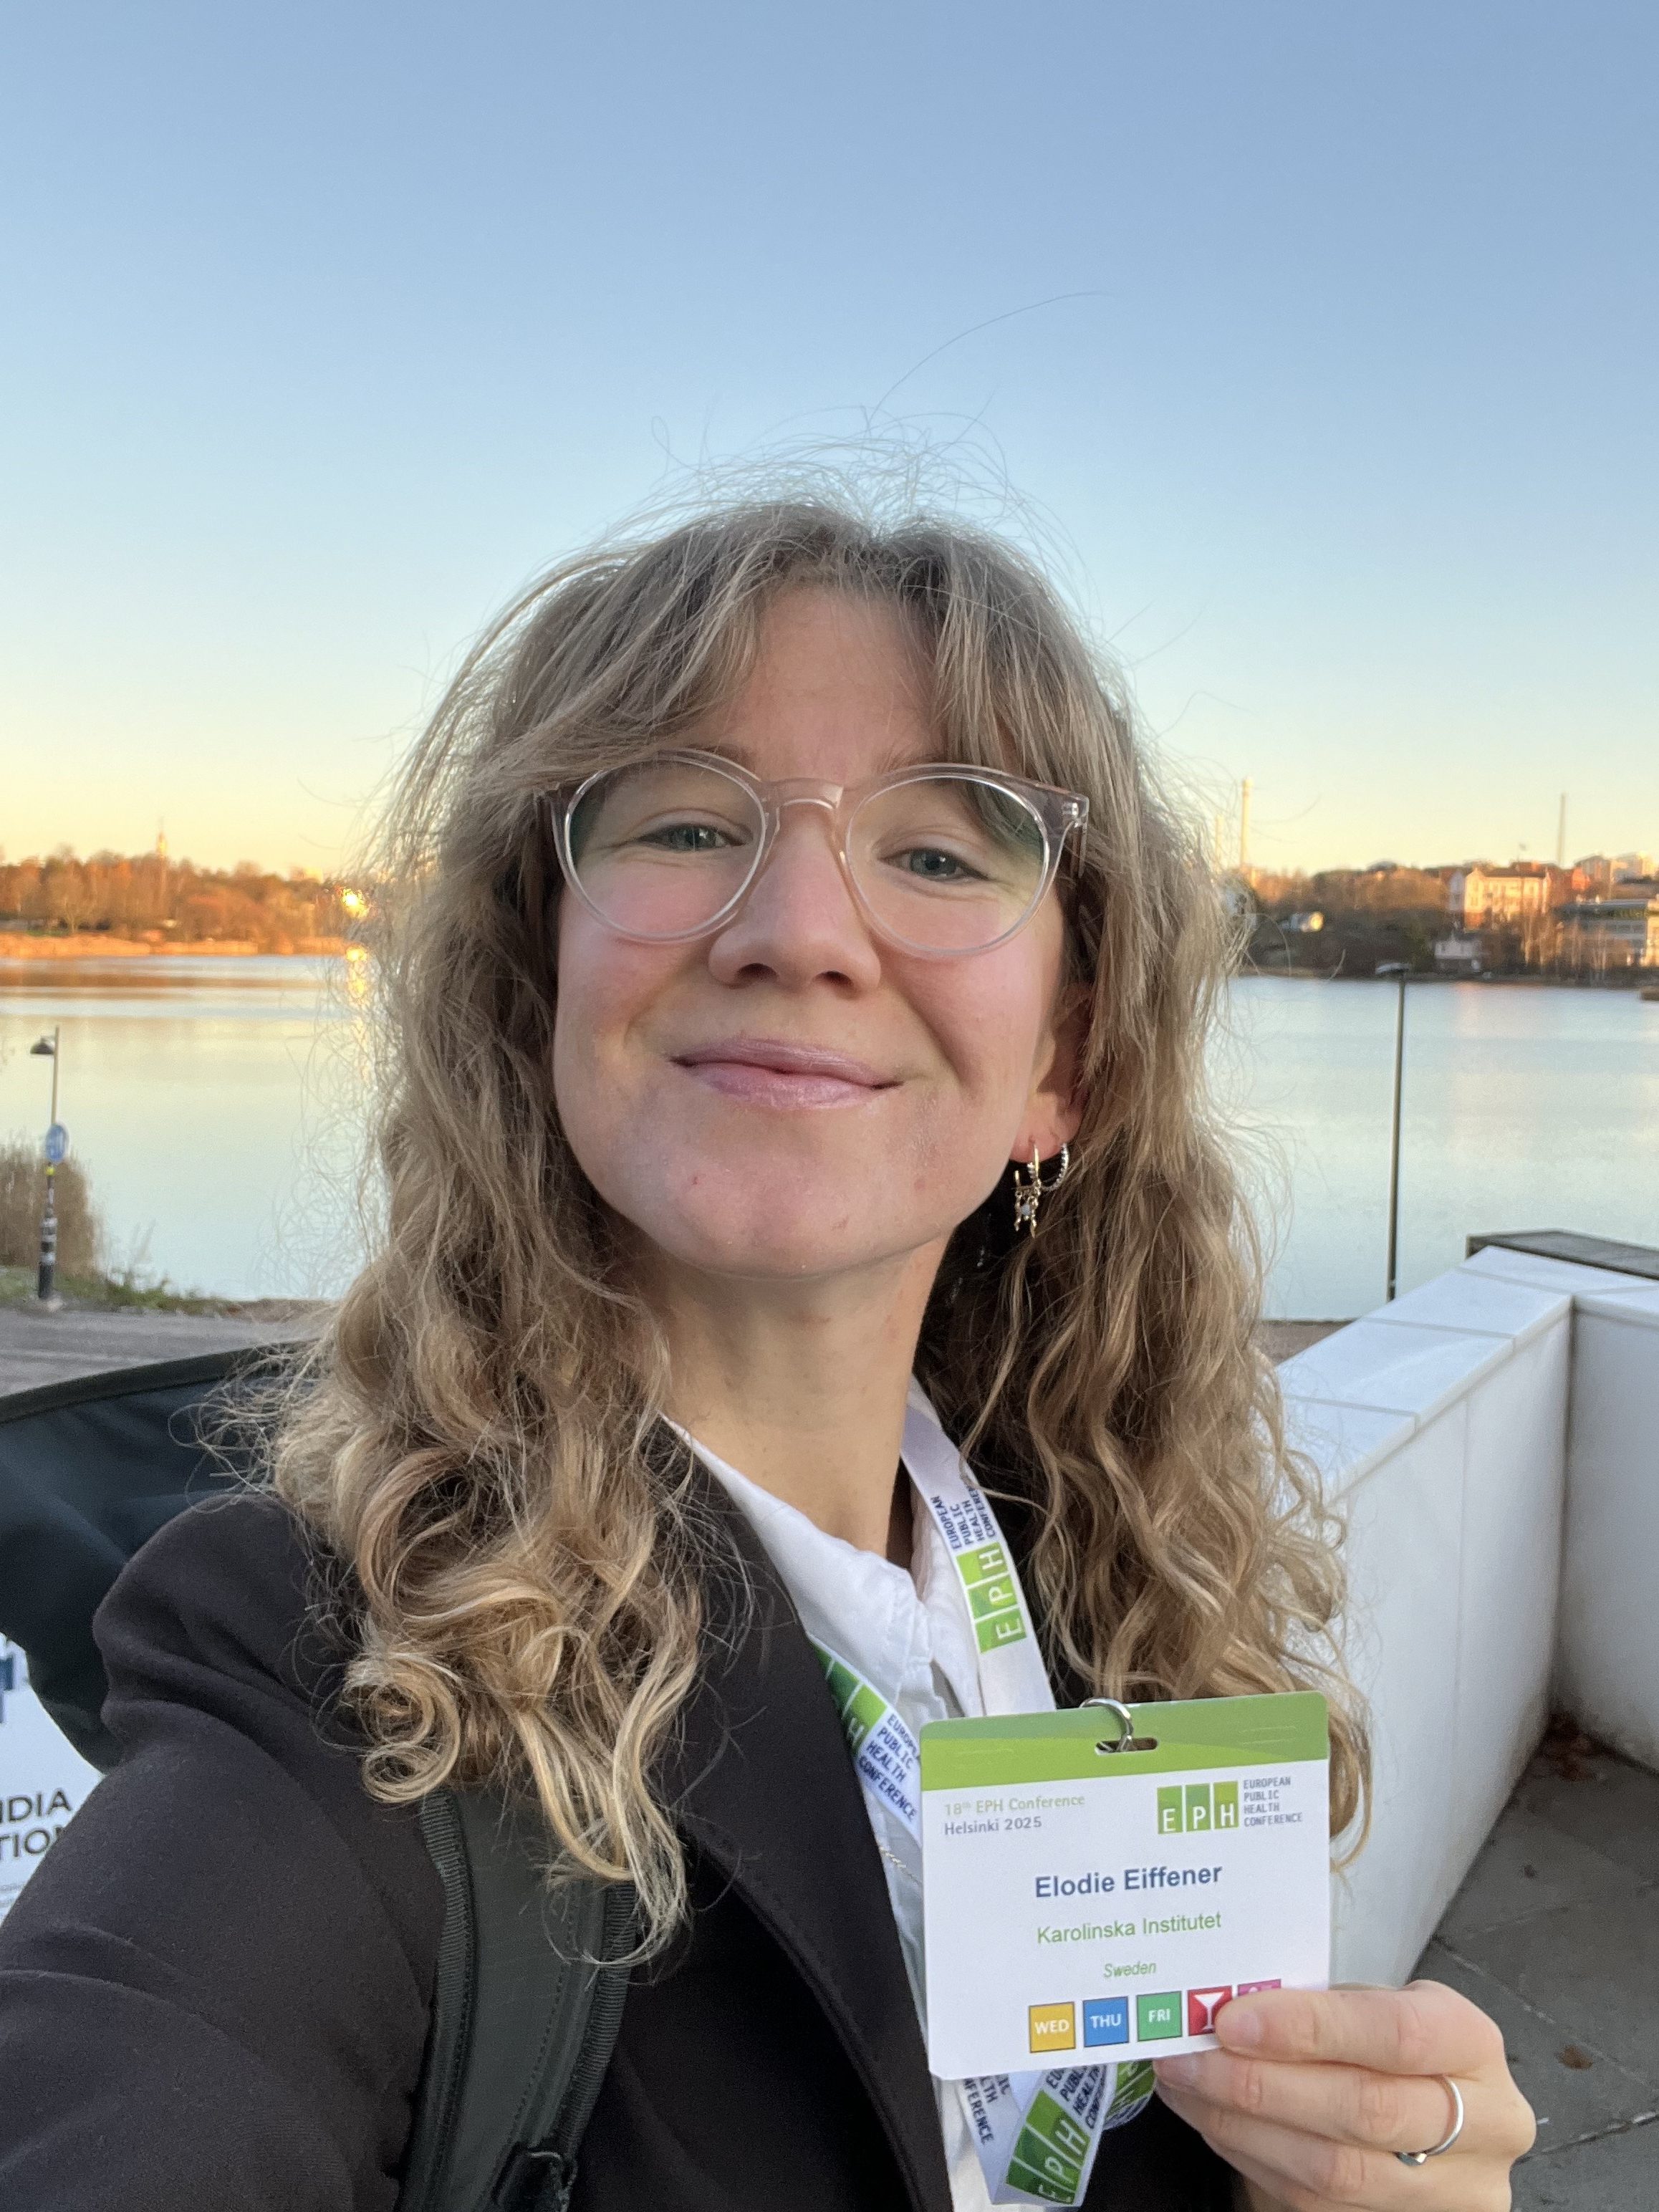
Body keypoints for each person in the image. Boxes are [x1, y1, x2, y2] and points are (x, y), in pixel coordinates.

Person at [0, 494, 1534, 2210]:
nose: (798, 924)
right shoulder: (329, 1664)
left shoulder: (1119, 1593)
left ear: (1065, 1065)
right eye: (681, 822)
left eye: (940, 852)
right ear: (540, 988)